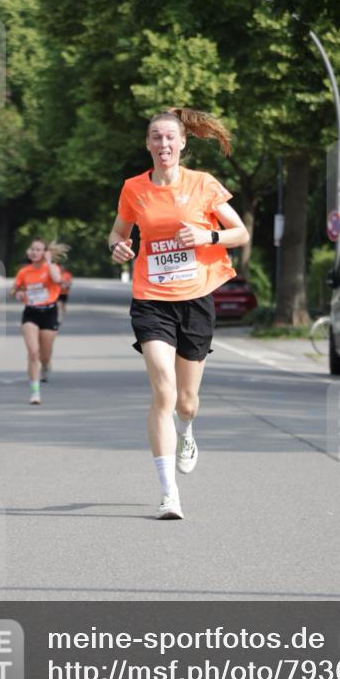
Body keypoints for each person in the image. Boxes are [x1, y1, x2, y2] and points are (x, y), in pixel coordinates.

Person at [108, 108, 250, 520]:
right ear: (148, 143)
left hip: (196, 298)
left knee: (187, 402)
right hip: (151, 298)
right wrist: (117, 245)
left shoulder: (203, 184)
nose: (163, 144)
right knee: (164, 392)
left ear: (183, 143)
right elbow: (118, 231)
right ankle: (169, 492)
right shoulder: (134, 188)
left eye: (170, 137)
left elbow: (241, 233)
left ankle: (187, 432)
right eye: (156, 137)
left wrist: (208, 234)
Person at [12, 240, 69, 404]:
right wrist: (18, 295)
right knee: (33, 352)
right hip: (30, 313)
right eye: (32, 249)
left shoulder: (52, 268)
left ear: (45, 252)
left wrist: (50, 261)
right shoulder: (24, 272)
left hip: (49, 313)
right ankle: (35, 393)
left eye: (38, 250)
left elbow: (58, 280)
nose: (34, 252)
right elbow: (14, 289)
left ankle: (45, 366)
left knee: (44, 355)